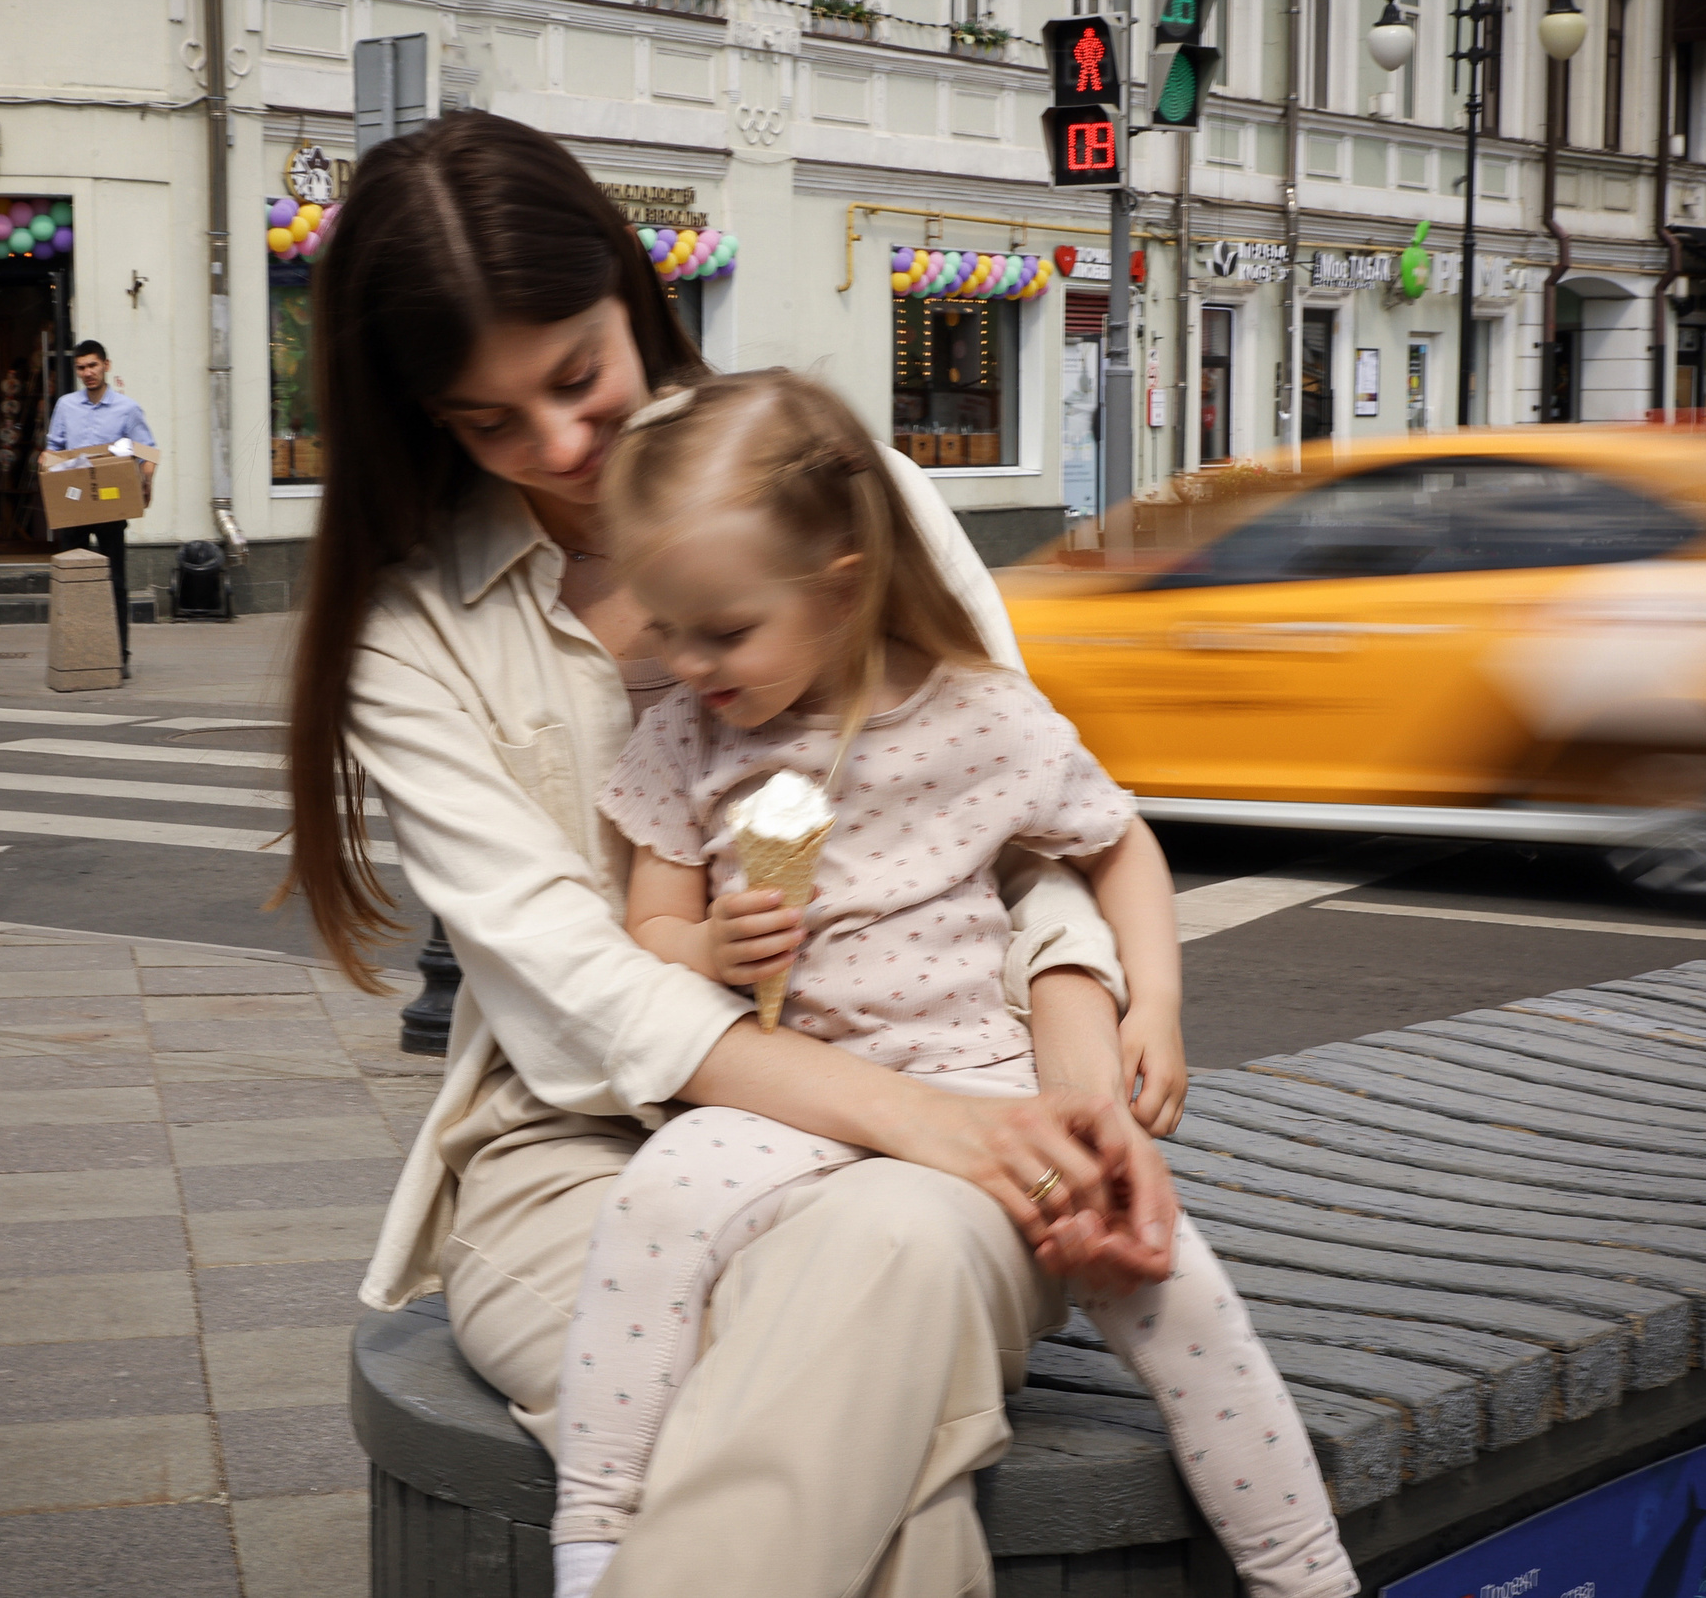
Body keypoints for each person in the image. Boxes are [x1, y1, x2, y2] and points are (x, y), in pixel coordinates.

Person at [282, 112, 1191, 1598]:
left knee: (883, 1271)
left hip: (949, 1091)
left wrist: (1076, 1101)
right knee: (869, 1396)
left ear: (637, 299)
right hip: (581, 1156)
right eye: (489, 421)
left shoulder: (843, 492)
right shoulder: (411, 633)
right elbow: (583, 991)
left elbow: (1021, 835)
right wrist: (930, 1126)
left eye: (577, 376)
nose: (563, 449)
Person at [549, 371, 1352, 1598]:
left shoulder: (984, 717)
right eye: (665, 627)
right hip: (786, 1096)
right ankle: (593, 1540)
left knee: (1173, 1288)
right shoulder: (688, 739)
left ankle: (1306, 1572)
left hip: (987, 1082)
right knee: (654, 1204)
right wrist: (708, 948)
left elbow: (1116, 841)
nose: (689, 662)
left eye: (725, 629)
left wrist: (1156, 1004)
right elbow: (647, 926)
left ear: (844, 583)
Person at [43, 339, 154, 669]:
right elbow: (53, 450)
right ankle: (75, 652)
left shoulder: (127, 408)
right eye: (81, 367)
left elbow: (147, 451)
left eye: (92, 365)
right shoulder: (66, 406)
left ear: (106, 365)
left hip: (110, 505)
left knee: (115, 582)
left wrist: (148, 482)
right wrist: (44, 465)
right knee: (70, 578)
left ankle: (119, 656)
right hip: (74, 506)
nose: (87, 373)